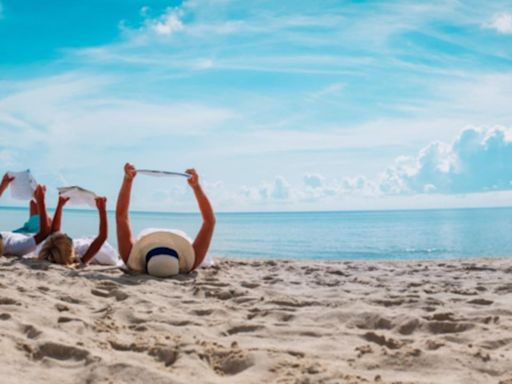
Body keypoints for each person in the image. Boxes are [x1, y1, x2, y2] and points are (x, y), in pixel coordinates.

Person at [116, 163, 215, 277]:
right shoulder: (192, 261)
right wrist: (196, 186)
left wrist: (127, 180)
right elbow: (210, 221)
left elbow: (121, 216)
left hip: (157, 242)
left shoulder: (129, 256)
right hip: (178, 242)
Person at [37, 194, 120, 266]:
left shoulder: (53, 251)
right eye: (67, 237)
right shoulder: (81, 259)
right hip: (105, 251)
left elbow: (54, 232)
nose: (65, 234)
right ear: (70, 249)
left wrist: (60, 205)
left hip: (84, 242)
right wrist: (102, 210)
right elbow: (102, 237)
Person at [0, 173, 50, 257]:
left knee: (33, 202)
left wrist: (3, 185)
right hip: (34, 234)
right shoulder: (13, 246)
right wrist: (41, 201)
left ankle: (36, 198)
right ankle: (36, 198)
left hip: (22, 232)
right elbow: (43, 233)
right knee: (51, 228)